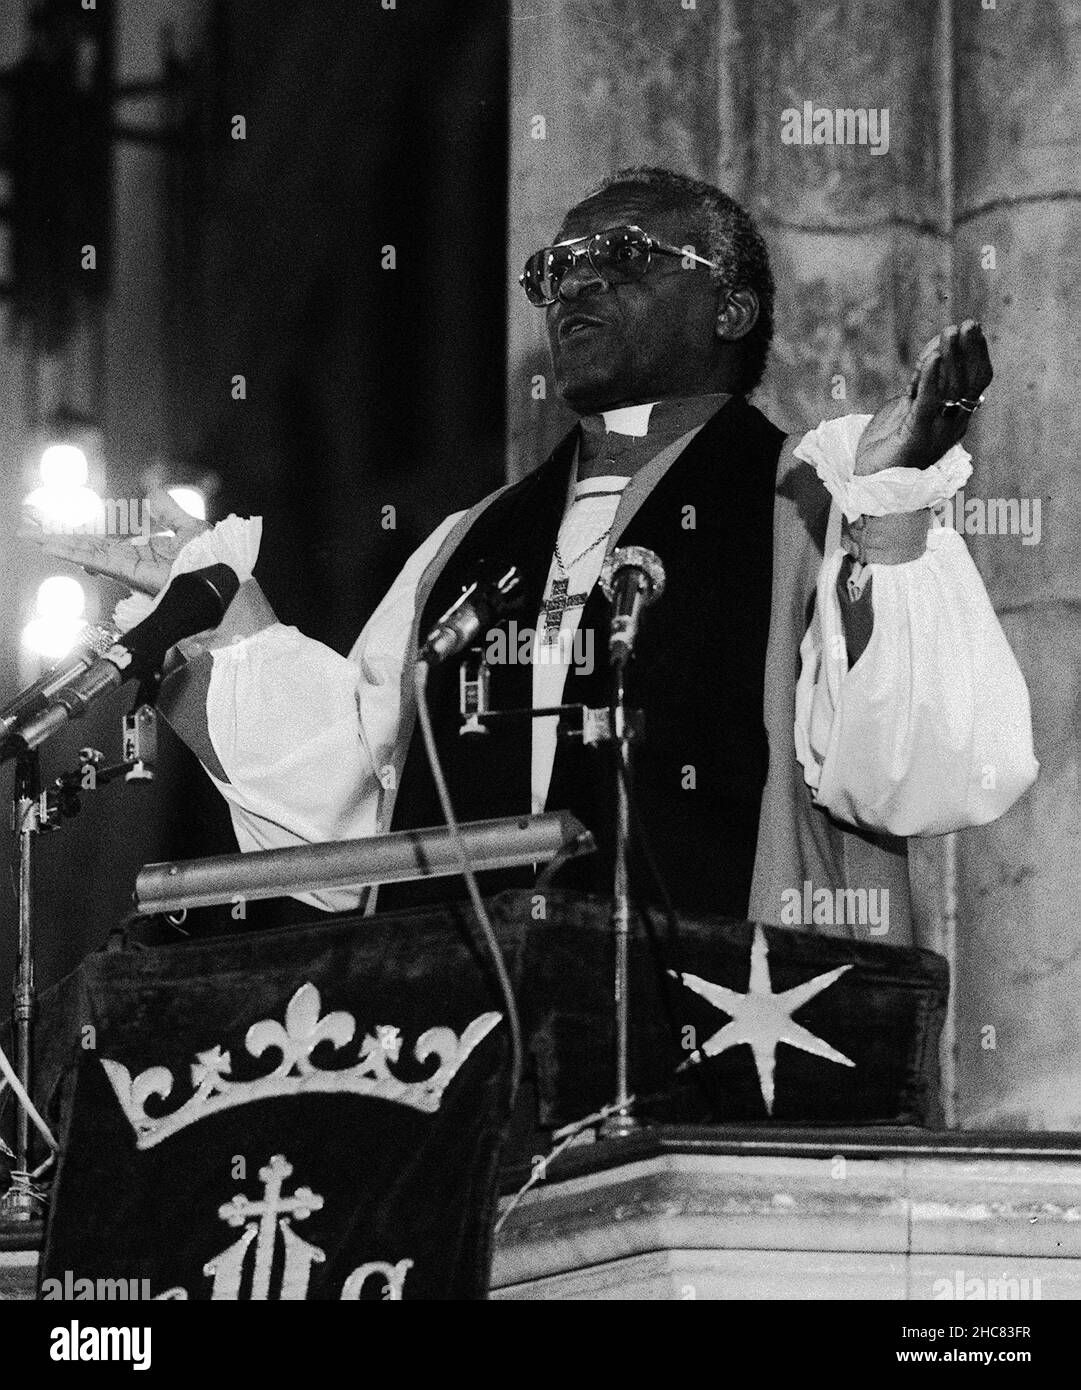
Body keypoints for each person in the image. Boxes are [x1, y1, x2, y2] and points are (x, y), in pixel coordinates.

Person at [23, 167, 1037, 943]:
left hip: (727, 1070)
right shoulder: (470, 545)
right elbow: (366, 812)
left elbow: (929, 772)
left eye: (627, 255)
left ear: (731, 307)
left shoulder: (816, 505)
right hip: (478, 1079)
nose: (573, 283)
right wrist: (231, 621)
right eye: (554, 269)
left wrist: (895, 519)